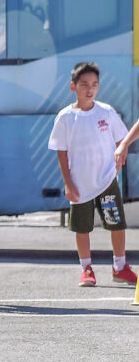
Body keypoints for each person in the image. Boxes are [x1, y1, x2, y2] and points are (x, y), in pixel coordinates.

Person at [50, 62, 137, 287]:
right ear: (73, 86)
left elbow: (122, 141)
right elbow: (61, 152)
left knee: (116, 223)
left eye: (95, 85)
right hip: (80, 183)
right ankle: (86, 268)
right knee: (82, 227)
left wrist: (117, 166)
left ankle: (120, 267)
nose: (90, 89)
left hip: (107, 180)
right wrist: (68, 183)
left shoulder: (107, 112)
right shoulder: (66, 117)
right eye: (84, 84)